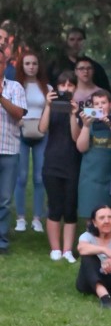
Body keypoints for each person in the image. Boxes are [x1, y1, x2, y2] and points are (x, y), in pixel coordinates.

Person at [39, 72, 81, 263]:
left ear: (75, 88)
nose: (66, 88)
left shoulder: (79, 109)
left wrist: (73, 114)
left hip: (73, 163)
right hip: (52, 162)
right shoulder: (52, 107)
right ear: (56, 87)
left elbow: (76, 137)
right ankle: (55, 249)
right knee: (55, 207)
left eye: (70, 85)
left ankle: (67, 250)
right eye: (62, 85)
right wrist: (48, 105)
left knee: (70, 208)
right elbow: (42, 128)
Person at [13, 49, 48, 235]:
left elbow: (50, 109)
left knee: (40, 178)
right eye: (27, 63)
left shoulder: (47, 88)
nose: (31, 67)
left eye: (34, 63)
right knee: (21, 176)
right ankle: (20, 218)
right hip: (21, 132)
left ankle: (37, 218)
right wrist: (17, 120)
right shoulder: (15, 87)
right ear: (22, 65)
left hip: (42, 133)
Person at [75, 89, 111, 220]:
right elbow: (81, 147)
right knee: (91, 216)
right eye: (96, 104)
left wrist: (109, 123)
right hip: (91, 179)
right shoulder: (89, 123)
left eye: (103, 103)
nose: (100, 106)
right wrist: (86, 126)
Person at [0, 49, 26, 255]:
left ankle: (1, 240)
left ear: (5, 65)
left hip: (9, 150)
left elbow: (18, 113)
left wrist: (0, 96)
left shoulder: (15, 87)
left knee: (5, 199)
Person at [48, 27, 110, 94]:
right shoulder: (55, 66)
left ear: (85, 42)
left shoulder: (95, 67)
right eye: (72, 39)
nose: (75, 43)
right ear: (66, 42)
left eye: (79, 39)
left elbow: (106, 92)